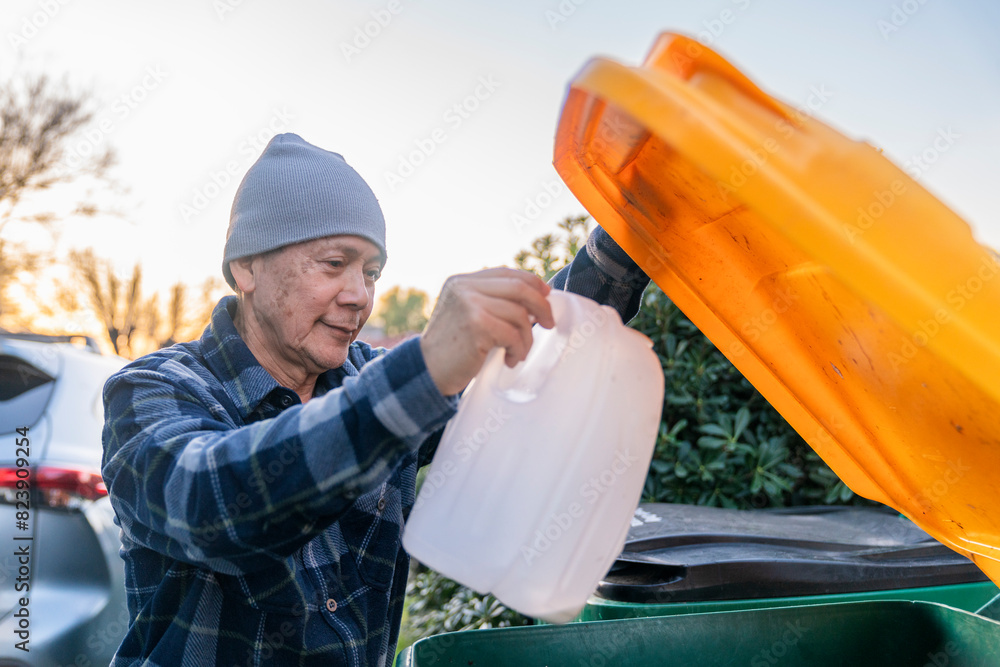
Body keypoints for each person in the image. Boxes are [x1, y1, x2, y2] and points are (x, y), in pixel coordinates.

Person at [101, 133, 649, 666]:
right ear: (246, 266)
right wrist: (424, 371)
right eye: (333, 263)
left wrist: (631, 229)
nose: (359, 296)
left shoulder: (368, 376)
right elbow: (213, 506)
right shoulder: (154, 391)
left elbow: (527, 362)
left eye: (371, 272)